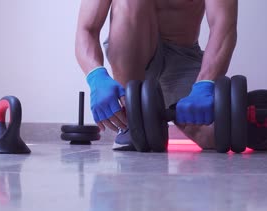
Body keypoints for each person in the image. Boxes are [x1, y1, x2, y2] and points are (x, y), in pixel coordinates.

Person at [75, 0, 238, 150]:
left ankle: (152, 120)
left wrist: (205, 83)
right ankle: (134, 119)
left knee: (217, 135)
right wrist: (96, 76)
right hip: (132, 50)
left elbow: (223, 26)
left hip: (183, 57)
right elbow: (87, 28)